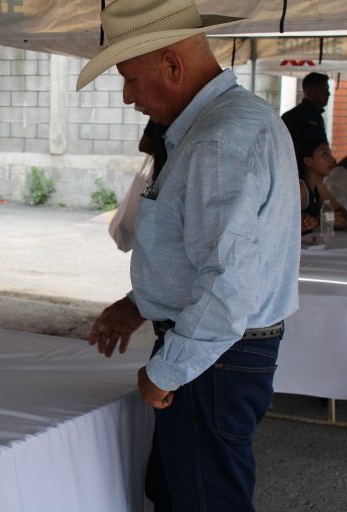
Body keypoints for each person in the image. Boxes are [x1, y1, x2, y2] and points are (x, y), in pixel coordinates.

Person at [76, 0, 300, 510]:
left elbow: (226, 283)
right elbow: (204, 253)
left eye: (130, 79)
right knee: (182, 492)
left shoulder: (218, 140)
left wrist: (168, 370)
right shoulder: (226, 124)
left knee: (203, 499)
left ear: (173, 66)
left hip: (213, 358)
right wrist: (139, 304)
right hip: (220, 353)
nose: (129, 97)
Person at [108, 120, 167, 252]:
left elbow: (144, 145)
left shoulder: (158, 116)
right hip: (165, 186)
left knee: (149, 228)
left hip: (156, 184)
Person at [296, 136, 345, 233]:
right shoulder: (300, 190)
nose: (333, 159)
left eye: (330, 153)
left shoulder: (318, 187)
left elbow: (340, 214)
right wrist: (320, 221)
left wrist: (334, 220)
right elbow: (283, 226)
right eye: (324, 154)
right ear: (308, 161)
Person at [281, 72, 330, 148]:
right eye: (324, 90)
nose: (328, 94)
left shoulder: (318, 117)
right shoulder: (292, 117)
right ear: (309, 92)